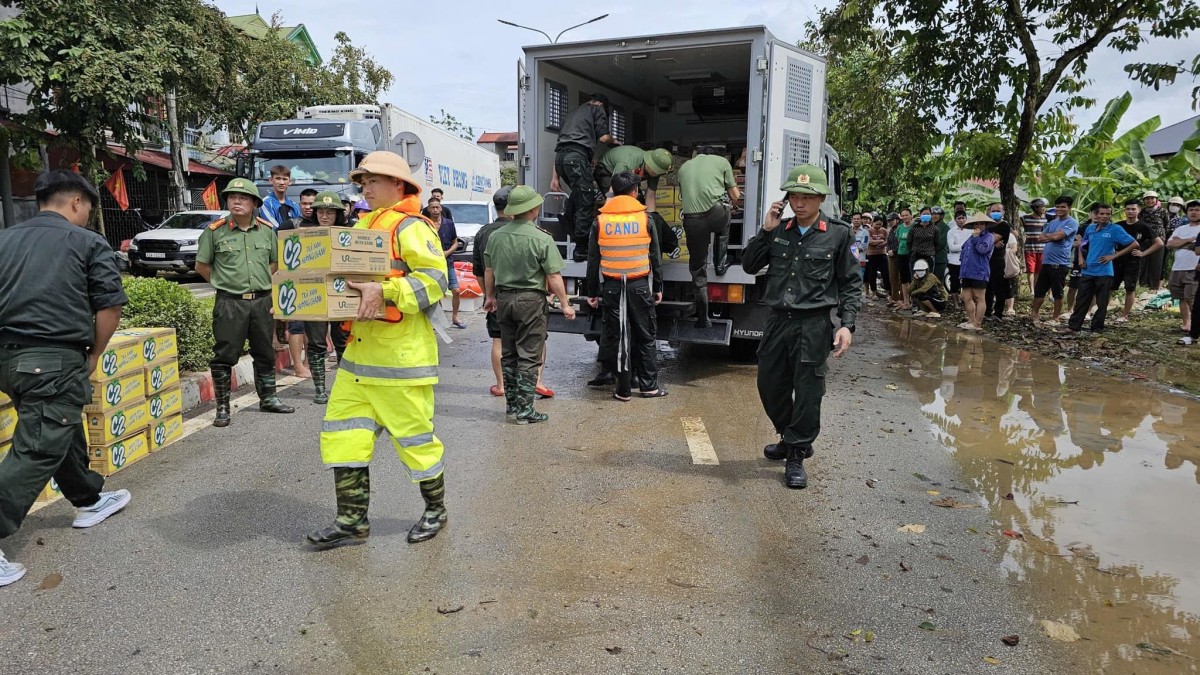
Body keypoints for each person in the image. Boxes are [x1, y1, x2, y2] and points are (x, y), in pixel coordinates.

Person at [308, 151, 451, 548]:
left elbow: (436, 281)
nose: (365, 189)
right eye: (363, 183)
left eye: (373, 181)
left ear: (398, 185)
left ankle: (436, 511)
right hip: (357, 360)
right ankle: (351, 521)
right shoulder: (363, 225)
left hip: (401, 362)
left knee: (416, 442)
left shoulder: (412, 227)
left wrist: (385, 290)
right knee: (343, 437)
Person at [0, 170, 133, 588]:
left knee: (57, 423)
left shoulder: (4, 240)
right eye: (88, 208)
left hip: (9, 359)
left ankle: (88, 499)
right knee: (38, 446)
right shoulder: (86, 242)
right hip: (53, 358)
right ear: (77, 202)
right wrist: (94, 353)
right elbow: (110, 306)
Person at [742, 165, 860, 490]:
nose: (799, 203)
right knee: (769, 385)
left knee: (808, 392)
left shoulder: (838, 234)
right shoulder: (779, 229)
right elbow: (749, 265)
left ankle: (795, 454)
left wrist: (847, 325)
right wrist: (766, 230)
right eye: (794, 196)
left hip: (813, 324)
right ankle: (790, 435)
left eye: (806, 197)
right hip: (778, 322)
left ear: (821, 198)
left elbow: (851, 283)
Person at [196, 178, 295, 427]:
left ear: (254, 204)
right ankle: (222, 408)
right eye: (232, 197)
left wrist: (261, 281)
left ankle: (269, 398)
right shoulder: (215, 232)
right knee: (224, 355)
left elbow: (274, 262)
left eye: (243, 198)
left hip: (261, 301)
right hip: (230, 303)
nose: (237, 202)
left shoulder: (266, 230)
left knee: (264, 351)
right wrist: (223, 283)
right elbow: (202, 265)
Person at [484, 186, 576, 423]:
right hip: (530, 301)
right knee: (529, 355)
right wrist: (565, 304)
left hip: (504, 300)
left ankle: (512, 406)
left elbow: (489, 271)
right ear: (533, 210)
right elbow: (553, 275)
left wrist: (490, 297)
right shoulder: (542, 238)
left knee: (509, 354)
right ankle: (526, 410)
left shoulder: (496, 236)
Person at [586, 172, 665, 401]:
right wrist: (657, 287)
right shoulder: (646, 219)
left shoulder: (600, 221)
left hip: (612, 287)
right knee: (646, 336)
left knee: (620, 337)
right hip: (639, 286)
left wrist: (592, 292)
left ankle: (623, 390)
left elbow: (593, 261)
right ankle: (649, 387)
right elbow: (655, 258)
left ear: (613, 191)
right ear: (635, 192)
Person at [294, 190, 351, 403]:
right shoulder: (302, 234)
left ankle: (346, 388)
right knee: (316, 343)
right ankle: (319, 389)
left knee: (342, 341)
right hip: (314, 293)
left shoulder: (349, 234)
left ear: (338, 214)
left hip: (342, 291)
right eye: (320, 212)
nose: (324, 216)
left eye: (330, 212)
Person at [549, 93, 619, 262]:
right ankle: (581, 249)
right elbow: (603, 137)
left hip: (561, 161)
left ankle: (567, 216)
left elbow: (561, 146)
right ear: (601, 104)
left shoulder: (572, 114)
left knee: (578, 192)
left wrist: (554, 178)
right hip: (576, 159)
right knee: (586, 200)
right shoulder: (597, 109)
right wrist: (614, 141)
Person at [677, 147, 741, 328]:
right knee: (726, 218)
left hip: (692, 220)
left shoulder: (683, 167)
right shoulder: (722, 162)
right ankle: (721, 263)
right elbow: (735, 196)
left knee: (697, 269)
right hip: (716, 214)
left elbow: (684, 194)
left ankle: (703, 319)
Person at [1066, 203, 1137, 333]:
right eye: (1102, 213)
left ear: (1111, 215)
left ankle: (1097, 328)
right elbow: (1083, 244)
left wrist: (1113, 256)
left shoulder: (1115, 229)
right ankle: (1073, 326)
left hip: (1104, 271)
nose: (1104, 216)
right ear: (1096, 214)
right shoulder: (1090, 228)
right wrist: (1081, 258)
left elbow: (1134, 244)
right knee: (1082, 299)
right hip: (1088, 269)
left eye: (1108, 214)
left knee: (1101, 303)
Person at [278, 188, 321, 378]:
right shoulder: (290, 224)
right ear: (299, 204)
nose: (308, 207)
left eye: (312, 203)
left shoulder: (324, 223)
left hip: (318, 283)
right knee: (296, 326)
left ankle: (308, 363)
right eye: (304, 203)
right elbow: (275, 247)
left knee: (315, 327)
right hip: (294, 283)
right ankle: (297, 366)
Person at [1029, 195, 1079, 325]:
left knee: (1058, 291)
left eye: (1063, 207)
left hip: (1060, 263)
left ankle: (1055, 318)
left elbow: (1058, 236)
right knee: (1040, 290)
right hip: (1046, 261)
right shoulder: (1052, 223)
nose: (1059, 209)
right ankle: (1034, 314)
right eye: (1057, 207)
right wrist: (1053, 236)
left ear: (1069, 208)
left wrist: (1051, 236)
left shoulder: (1072, 222)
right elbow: (1040, 238)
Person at [1113, 198, 1163, 323]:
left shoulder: (1143, 226)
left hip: (1133, 261)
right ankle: (1100, 311)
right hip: (1116, 260)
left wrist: (1143, 253)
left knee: (1130, 289)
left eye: (1133, 209)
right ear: (1124, 210)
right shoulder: (1118, 225)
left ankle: (1125, 315)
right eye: (1128, 209)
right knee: (1109, 287)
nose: (1130, 211)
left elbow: (1159, 243)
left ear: (1138, 210)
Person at [426, 197, 465, 329]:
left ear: (441, 208)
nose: (435, 210)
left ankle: (455, 317)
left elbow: (455, 242)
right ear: (428, 209)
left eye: (437, 207)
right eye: (432, 207)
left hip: (448, 262)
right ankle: (439, 318)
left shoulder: (448, 223)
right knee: (436, 293)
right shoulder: (425, 224)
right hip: (432, 264)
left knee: (456, 290)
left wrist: (447, 253)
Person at [1170, 200, 1200, 343]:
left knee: (1192, 298)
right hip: (1178, 267)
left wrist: (1181, 243)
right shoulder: (1181, 228)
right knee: (1181, 297)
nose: (1194, 212)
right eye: (1191, 210)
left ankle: (1196, 328)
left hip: (1194, 268)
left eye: (1197, 210)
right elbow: (1170, 243)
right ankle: (1187, 324)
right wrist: (1190, 240)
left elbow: (1197, 248)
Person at [958, 213, 995, 330]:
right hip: (966, 271)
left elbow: (982, 249)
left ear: (986, 225)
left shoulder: (989, 237)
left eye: (981, 223)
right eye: (976, 224)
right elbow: (964, 250)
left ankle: (977, 323)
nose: (978, 225)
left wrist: (976, 237)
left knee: (979, 298)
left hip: (979, 271)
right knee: (966, 297)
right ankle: (971, 321)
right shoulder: (971, 237)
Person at [983, 203, 1012, 319]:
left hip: (997, 260)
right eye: (993, 211)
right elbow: (979, 236)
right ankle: (987, 312)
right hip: (986, 260)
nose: (995, 213)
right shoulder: (987, 225)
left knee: (998, 287)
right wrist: (992, 240)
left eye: (998, 211)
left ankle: (998, 313)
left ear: (1003, 212)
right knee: (987, 287)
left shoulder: (1004, 226)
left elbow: (986, 239)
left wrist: (990, 239)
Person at [1140, 190, 1167, 291]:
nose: (1150, 200)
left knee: (1156, 263)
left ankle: (1154, 286)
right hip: (1145, 239)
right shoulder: (1142, 212)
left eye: (1152, 198)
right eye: (1147, 199)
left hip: (1159, 240)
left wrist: (1162, 236)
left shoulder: (1163, 211)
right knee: (1143, 261)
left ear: (1156, 200)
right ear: (1144, 200)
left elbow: (1166, 224)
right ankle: (1142, 285)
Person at [258, 165, 299, 230]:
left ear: (290, 182)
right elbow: (275, 229)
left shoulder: (294, 206)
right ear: (271, 180)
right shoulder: (265, 203)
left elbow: (300, 227)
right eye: (278, 178)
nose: (281, 183)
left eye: (285, 179)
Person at [1022, 198, 1048, 294]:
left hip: (1043, 249)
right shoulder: (1025, 218)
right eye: (1041, 207)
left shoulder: (1047, 219)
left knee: (1039, 271)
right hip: (1030, 249)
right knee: (1031, 270)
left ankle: (1036, 289)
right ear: (1035, 208)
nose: (1043, 209)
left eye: (1044, 207)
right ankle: (1031, 291)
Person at [946, 210, 972, 306]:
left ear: (966, 218)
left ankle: (967, 301)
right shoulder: (951, 232)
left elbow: (972, 246)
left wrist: (960, 247)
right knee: (954, 282)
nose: (961, 220)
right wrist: (965, 246)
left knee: (967, 282)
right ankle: (956, 303)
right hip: (954, 261)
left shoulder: (970, 231)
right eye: (959, 218)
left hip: (967, 260)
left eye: (963, 218)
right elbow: (951, 247)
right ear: (955, 219)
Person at [906, 206, 939, 277]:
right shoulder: (913, 228)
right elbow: (909, 242)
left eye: (928, 214)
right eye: (924, 214)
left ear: (931, 215)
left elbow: (936, 243)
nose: (926, 216)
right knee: (915, 278)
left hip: (929, 256)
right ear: (920, 215)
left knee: (928, 279)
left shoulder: (935, 229)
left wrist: (931, 251)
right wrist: (913, 251)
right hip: (915, 256)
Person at [865, 216, 889, 298]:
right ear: (872, 223)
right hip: (871, 255)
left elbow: (887, 241)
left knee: (885, 273)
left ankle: (888, 293)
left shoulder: (884, 231)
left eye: (880, 224)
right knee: (872, 274)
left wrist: (877, 243)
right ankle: (874, 293)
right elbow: (869, 242)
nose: (878, 226)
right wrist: (881, 240)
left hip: (882, 254)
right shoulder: (868, 231)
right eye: (876, 224)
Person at [894, 208, 914, 309]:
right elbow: (898, 240)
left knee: (913, 279)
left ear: (911, 216)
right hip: (901, 254)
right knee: (904, 279)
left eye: (907, 215)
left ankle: (913, 302)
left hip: (912, 254)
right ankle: (906, 302)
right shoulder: (900, 227)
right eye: (903, 215)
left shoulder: (915, 226)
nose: (905, 217)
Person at [884, 212, 902, 304]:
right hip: (891, 257)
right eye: (889, 221)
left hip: (900, 256)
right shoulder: (891, 231)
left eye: (892, 220)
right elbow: (888, 242)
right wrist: (888, 250)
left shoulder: (901, 229)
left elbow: (902, 243)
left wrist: (894, 251)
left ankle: (902, 299)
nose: (890, 222)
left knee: (901, 278)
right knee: (892, 278)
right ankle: (894, 299)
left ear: (897, 220)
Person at [931, 206, 950, 284]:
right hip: (929, 258)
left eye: (936, 214)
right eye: (932, 214)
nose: (934, 216)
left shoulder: (945, 227)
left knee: (938, 281)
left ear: (941, 216)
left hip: (940, 259)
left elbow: (941, 244)